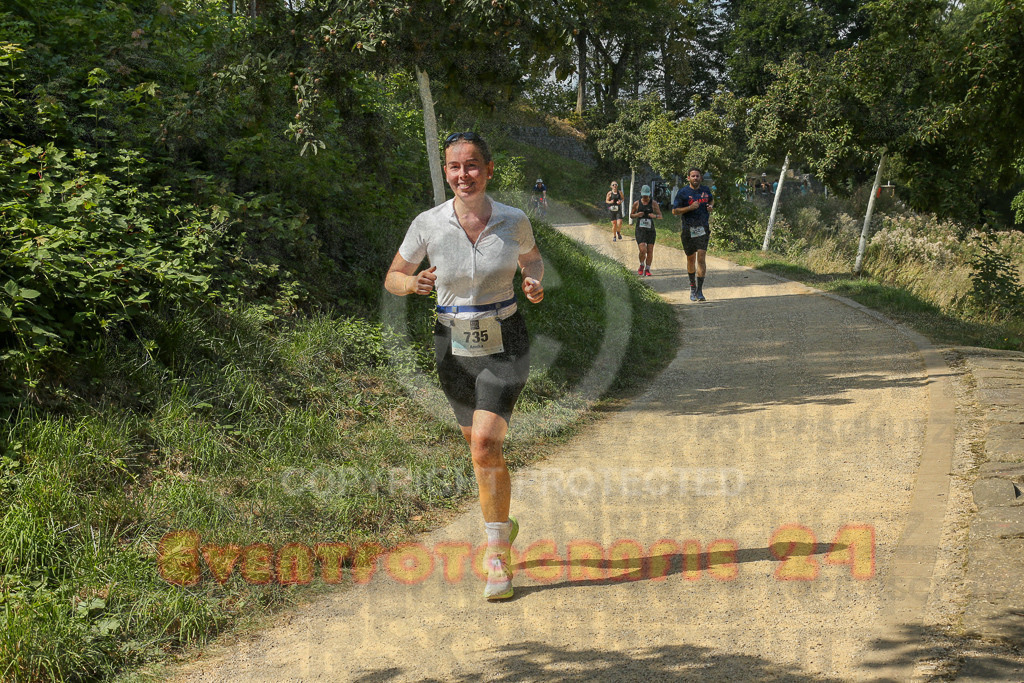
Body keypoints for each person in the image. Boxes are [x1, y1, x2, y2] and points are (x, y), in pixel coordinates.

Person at [384, 132, 545, 600]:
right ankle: (503, 524)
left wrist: (533, 282)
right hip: (450, 345)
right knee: (481, 454)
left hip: (505, 339)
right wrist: (413, 285)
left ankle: (496, 554)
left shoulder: (514, 220)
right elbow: (394, 277)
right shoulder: (428, 224)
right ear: (445, 172)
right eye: (454, 167)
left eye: (471, 165)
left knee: (483, 445)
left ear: (489, 170)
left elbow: (531, 260)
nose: (462, 175)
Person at [671, 167, 714, 301]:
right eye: (693, 176)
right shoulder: (683, 192)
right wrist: (689, 208)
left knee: (701, 257)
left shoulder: (706, 191)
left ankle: (700, 291)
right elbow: (674, 211)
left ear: (701, 178)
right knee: (691, 259)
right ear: (688, 178)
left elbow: (711, 200)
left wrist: (710, 207)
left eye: (697, 176)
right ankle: (692, 287)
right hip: (688, 229)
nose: (695, 178)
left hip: (703, 229)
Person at [629, 184, 662, 276]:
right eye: (644, 195)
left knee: (650, 250)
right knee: (643, 249)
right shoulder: (637, 203)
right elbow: (631, 215)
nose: (645, 197)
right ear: (641, 194)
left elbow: (660, 215)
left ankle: (648, 269)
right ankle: (641, 265)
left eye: (647, 195)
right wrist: (637, 215)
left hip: (650, 230)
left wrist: (654, 216)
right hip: (640, 229)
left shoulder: (653, 203)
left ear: (649, 194)